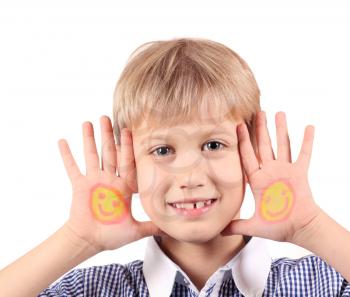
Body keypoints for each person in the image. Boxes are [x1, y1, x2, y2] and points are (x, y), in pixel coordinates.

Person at [0, 37, 349, 297]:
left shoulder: (324, 284)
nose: (190, 177)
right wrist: (77, 240)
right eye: (163, 149)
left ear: (252, 152)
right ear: (129, 163)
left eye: (213, 145)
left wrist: (312, 227)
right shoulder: (92, 290)